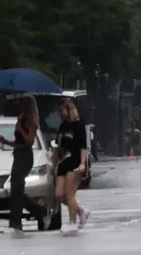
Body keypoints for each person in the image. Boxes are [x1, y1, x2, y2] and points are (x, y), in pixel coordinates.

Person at [0, 95, 48, 236]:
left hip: (25, 157)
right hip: (18, 154)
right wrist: (6, 142)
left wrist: (20, 129)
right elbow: (18, 143)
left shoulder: (32, 121)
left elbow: (29, 140)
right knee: (16, 190)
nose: (20, 106)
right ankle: (38, 211)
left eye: (22, 104)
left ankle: (16, 223)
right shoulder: (21, 119)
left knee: (17, 189)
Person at [54, 99, 90, 232]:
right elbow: (59, 145)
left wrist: (82, 163)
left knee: (69, 194)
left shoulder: (79, 125)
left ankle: (72, 222)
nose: (60, 114)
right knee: (59, 195)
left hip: (75, 162)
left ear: (69, 110)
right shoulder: (62, 127)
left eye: (62, 111)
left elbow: (83, 146)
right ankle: (81, 211)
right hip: (63, 163)